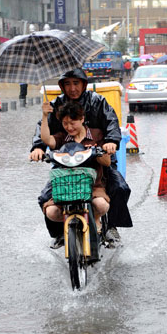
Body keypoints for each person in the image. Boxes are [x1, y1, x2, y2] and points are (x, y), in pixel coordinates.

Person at [29, 68, 132, 248]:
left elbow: (112, 123)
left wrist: (110, 143)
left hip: (98, 156)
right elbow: (45, 133)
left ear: (83, 84)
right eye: (67, 84)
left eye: (76, 83)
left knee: (119, 188)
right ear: (62, 86)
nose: (72, 88)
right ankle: (60, 233)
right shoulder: (55, 105)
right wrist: (38, 147)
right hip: (67, 160)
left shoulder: (97, 101)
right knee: (45, 197)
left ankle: (111, 227)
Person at [41, 100, 111, 232]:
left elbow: (107, 162)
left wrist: (97, 151)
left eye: (72, 123)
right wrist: (45, 116)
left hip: (93, 186)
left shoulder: (96, 135)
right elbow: (47, 140)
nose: (69, 127)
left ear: (82, 119)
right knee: (51, 212)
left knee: (101, 205)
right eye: (65, 123)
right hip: (66, 186)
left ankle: (96, 219)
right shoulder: (63, 137)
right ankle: (67, 230)